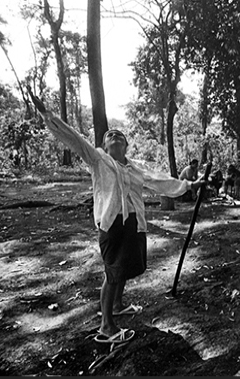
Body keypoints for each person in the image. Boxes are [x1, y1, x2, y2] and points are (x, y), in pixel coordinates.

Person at [29, 90, 205, 345]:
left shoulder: (134, 168)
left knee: (126, 267)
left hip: (133, 224)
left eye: (119, 135)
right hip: (112, 225)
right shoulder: (98, 160)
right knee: (112, 273)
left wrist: (189, 185)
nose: (115, 136)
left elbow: (161, 181)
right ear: (103, 145)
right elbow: (74, 138)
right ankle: (106, 326)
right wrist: (48, 115)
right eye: (110, 135)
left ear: (125, 145)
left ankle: (119, 305)